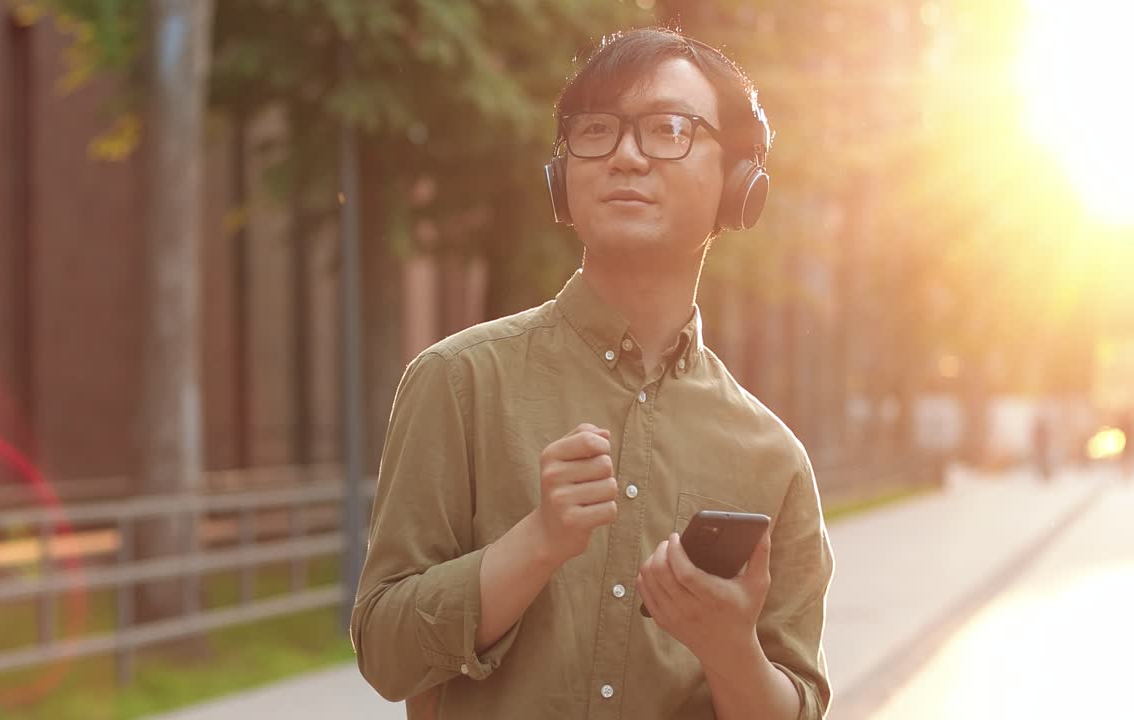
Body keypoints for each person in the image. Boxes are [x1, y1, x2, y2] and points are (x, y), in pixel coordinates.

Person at [350, 27, 834, 720]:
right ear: (562, 176)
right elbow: (384, 654)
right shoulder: (456, 382)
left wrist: (729, 647)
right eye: (597, 131)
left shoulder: (775, 460)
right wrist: (537, 543)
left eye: (668, 129)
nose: (626, 156)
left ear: (738, 183)